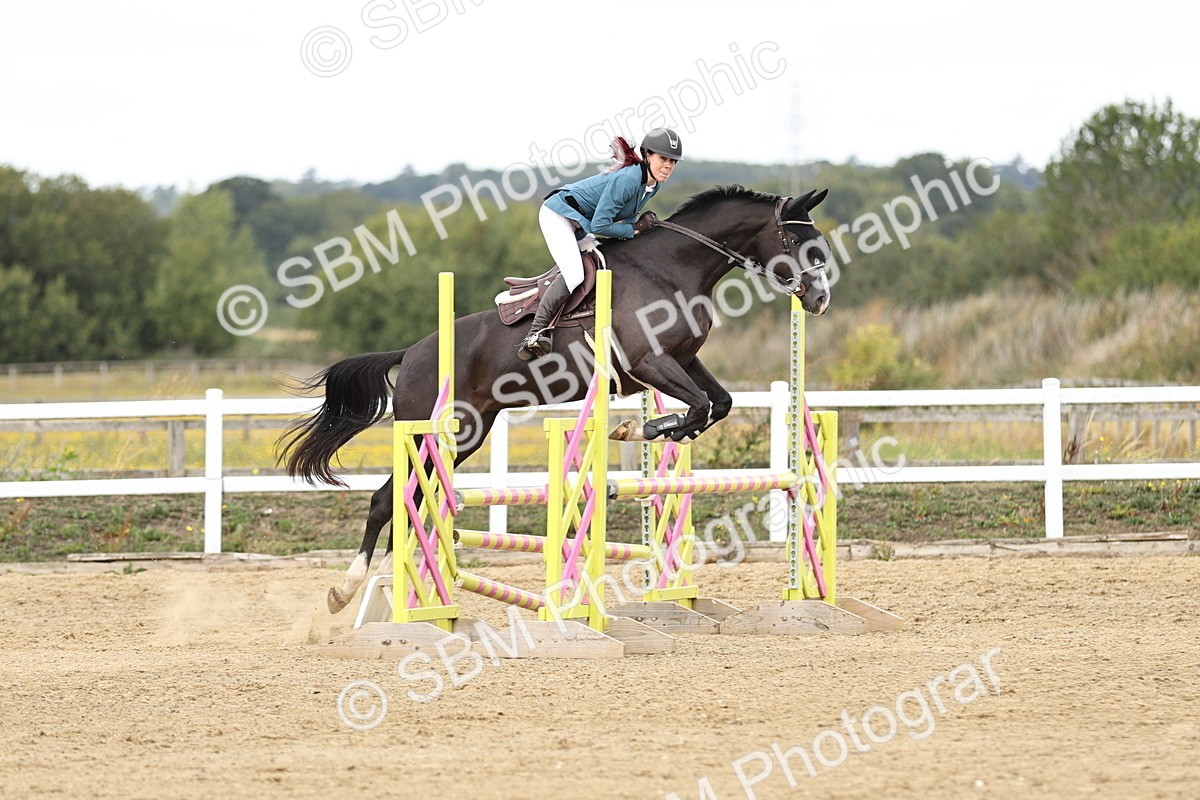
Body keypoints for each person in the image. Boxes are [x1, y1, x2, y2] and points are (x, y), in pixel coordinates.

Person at [517, 127, 683, 360]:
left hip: (581, 223)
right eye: (663, 158)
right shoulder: (628, 179)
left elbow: (622, 219)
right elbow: (600, 225)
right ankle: (535, 333)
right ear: (647, 155)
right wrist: (634, 229)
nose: (668, 166)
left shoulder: (653, 185)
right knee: (575, 274)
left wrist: (638, 229)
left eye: (673, 162)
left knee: (605, 261)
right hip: (560, 215)